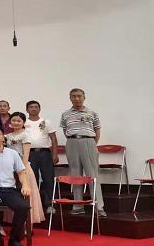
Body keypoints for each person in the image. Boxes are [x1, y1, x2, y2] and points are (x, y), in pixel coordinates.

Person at [60, 88, 106, 217]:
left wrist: (90, 142)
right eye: (73, 96)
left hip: (88, 142)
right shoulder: (65, 114)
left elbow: (97, 131)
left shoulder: (92, 113)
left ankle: (99, 206)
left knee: (92, 175)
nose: (76, 98)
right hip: (71, 142)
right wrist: (74, 139)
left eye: (79, 96)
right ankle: (78, 205)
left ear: (84, 97)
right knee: (75, 175)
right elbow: (65, 130)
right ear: (70, 98)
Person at [4, 112, 45, 225]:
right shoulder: (7, 136)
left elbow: (26, 154)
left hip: (23, 167)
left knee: (25, 195)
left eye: (19, 121)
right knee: (13, 194)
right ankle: (16, 223)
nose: (16, 123)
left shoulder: (25, 135)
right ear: (10, 122)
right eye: (13, 120)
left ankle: (28, 225)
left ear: (23, 122)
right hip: (9, 168)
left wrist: (20, 169)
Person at [25, 100, 59, 214]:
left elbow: (53, 138)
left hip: (45, 153)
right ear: (27, 110)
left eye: (36, 107)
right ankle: (33, 205)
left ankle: (50, 204)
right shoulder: (23, 122)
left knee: (48, 179)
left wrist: (54, 154)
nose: (33, 109)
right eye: (31, 107)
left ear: (39, 109)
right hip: (29, 154)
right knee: (31, 179)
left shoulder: (46, 122)